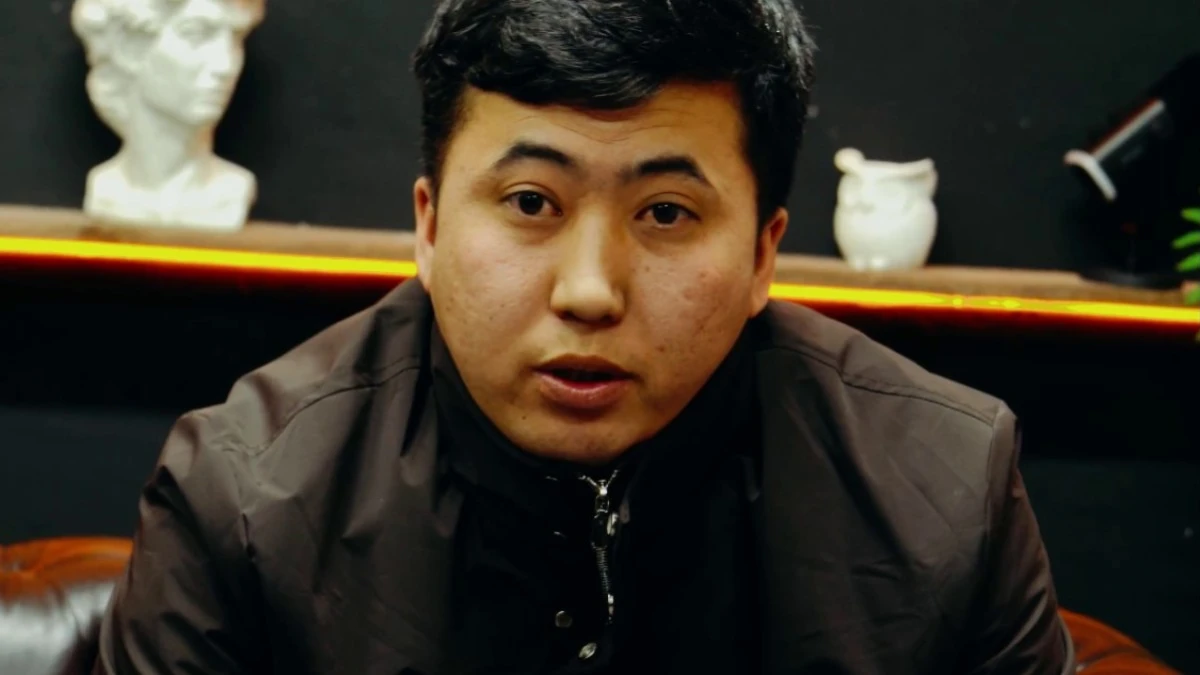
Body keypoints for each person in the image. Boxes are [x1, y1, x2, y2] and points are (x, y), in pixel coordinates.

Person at [94, 0, 1075, 673]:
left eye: (666, 214)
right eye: (531, 201)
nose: (591, 291)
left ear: (763, 254)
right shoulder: (246, 498)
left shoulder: (943, 493)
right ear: (429, 228)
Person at [72, 0, 263, 231]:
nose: (226, 65)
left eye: (235, 40)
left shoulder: (230, 191)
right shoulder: (106, 188)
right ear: (130, 49)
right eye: (196, 35)